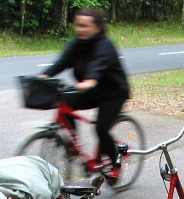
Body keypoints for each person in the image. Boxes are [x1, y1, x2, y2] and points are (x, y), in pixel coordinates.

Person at [38, 8, 130, 182]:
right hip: (91, 91)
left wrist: (89, 81)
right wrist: (43, 76)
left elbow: (99, 64)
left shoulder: (105, 45)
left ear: (96, 27)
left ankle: (115, 162)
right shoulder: (76, 44)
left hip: (113, 93)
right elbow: (61, 63)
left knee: (101, 129)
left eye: (85, 26)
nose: (80, 29)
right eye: (78, 25)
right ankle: (73, 147)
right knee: (64, 101)